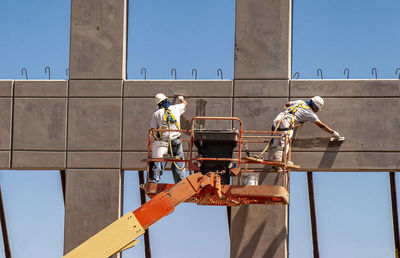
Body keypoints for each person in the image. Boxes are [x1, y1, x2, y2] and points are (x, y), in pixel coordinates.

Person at [269, 96, 342, 168]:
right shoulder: (310, 113)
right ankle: (282, 161)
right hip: (286, 122)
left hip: (278, 119)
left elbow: (287, 104)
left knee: (275, 140)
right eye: (317, 109)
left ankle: (273, 160)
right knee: (285, 141)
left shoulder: (300, 102)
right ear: (314, 106)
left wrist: (296, 112)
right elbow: (321, 125)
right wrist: (333, 132)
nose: (317, 111)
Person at [148, 93, 188, 183]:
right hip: (176, 140)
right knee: (178, 161)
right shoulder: (176, 108)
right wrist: (181, 98)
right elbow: (185, 104)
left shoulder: (156, 114)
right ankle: (180, 182)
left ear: (158, 103)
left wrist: (157, 139)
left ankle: (154, 179)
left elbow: (152, 130)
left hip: (164, 142)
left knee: (159, 160)